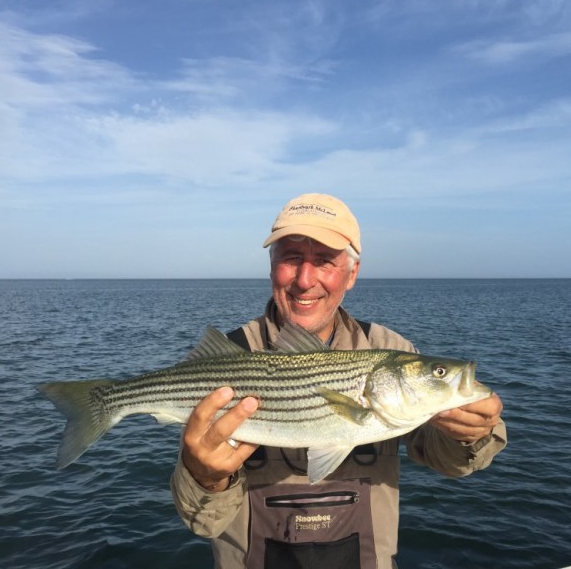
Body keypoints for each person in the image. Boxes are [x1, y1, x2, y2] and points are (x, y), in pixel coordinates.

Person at [171, 193, 506, 569]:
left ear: (352, 273)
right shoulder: (230, 356)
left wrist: (471, 435)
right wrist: (205, 477)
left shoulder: (390, 348)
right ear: (271, 266)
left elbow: (448, 461)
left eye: (325, 261)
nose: (304, 279)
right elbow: (202, 522)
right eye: (291, 258)